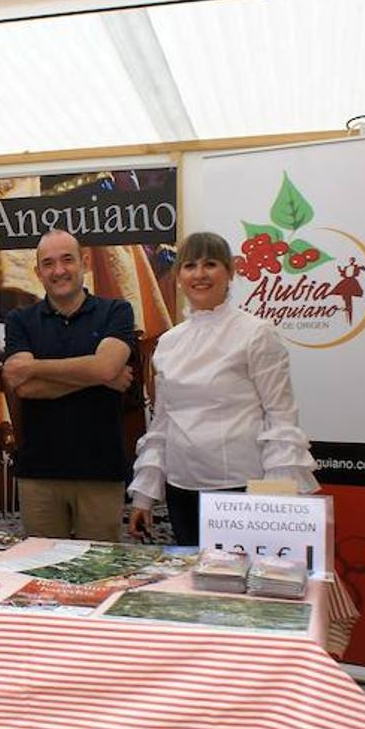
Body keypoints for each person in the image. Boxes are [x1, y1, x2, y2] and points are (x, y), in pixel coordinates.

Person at [127, 232, 319, 546]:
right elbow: (162, 423)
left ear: (230, 271)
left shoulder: (256, 334)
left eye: (210, 264)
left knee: (242, 590)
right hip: (181, 492)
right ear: (178, 276)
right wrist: (144, 496)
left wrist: (272, 501)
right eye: (189, 265)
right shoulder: (170, 343)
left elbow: (281, 418)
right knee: (194, 588)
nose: (199, 274)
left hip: (241, 492)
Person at [0, 229, 136, 541]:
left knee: (100, 573)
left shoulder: (116, 311)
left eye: (67, 260)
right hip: (39, 474)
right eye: (48, 263)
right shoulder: (20, 320)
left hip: (101, 472)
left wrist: (34, 367)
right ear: (38, 272)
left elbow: (105, 366)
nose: (58, 270)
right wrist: (99, 377)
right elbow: (24, 388)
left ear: (84, 262)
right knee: (41, 574)